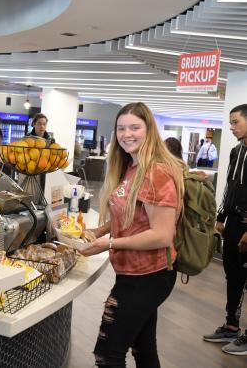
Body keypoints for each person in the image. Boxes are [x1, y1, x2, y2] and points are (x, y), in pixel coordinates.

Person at [80, 102, 184, 368]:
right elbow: (129, 216)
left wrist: (109, 243)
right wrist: (99, 230)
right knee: (143, 348)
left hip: (149, 276)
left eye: (135, 127)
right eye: (121, 128)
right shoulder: (131, 166)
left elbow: (161, 235)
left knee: (108, 354)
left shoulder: (156, 172)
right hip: (133, 273)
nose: (127, 134)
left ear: (149, 130)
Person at [203, 104, 247, 356]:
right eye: (230, 123)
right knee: (233, 275)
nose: (231, 128)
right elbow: (229, 186)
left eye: (235, 122)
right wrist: (220, 216)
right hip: (232, 223)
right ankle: (231, 326)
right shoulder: (235, 151)